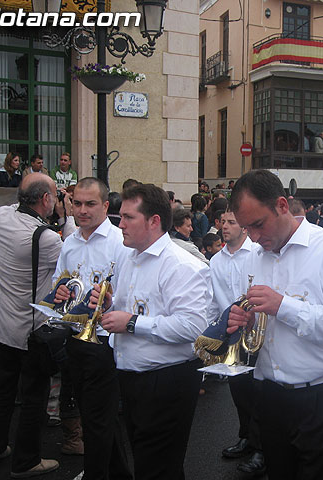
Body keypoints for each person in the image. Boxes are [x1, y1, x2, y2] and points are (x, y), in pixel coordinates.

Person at [226, 169, 323, 480]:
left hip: (319, 396)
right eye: (247, 228)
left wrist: (283, 306)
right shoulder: (253, 257)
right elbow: (259, 326)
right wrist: (245, 321)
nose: (255, 238)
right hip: (269, 393)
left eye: (259, 225)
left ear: (282, 206)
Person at [95, 183, 212, 480]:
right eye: (120, 217)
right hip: (132, 377)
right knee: (157, 465)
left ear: (154, 221)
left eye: (128, 218)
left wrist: (132, 322)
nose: (120, 225)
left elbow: (193, 326)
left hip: (166, 381)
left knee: (155, 467)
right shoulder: (129, 257)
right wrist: (108, 307)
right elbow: (130, 308)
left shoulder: (181, 265)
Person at [0, 173, 75, 478]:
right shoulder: (44, 238)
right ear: (47, 199)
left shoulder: (1, 218)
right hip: (29, 330)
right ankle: (27, 461)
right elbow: (73, 259)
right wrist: (68, 216)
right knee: (34, 394)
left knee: (2, 388)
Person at [51, 177, 132, 480]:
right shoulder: (70, 241)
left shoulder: (119, 243)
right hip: (74, 336)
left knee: (98, 418)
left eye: (90, 204)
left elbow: (129, 292)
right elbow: (60, 281)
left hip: (104, 341)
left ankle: (96, 474)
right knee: (95, 415)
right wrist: (59, 292)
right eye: (77, 203)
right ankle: (119, 473)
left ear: (106, 206)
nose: (82, 210)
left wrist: (109, 302)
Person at [207, 211, 265, 476]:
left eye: (231, 222)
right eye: (222, 222)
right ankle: (246, 437)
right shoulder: (216, 260)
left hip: (252, 333)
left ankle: (262, 448)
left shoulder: (256, 255)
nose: (224, 227)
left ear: (244, 226)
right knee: (238, 391)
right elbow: (212, 300)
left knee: (257, 393)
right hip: (230, 334)